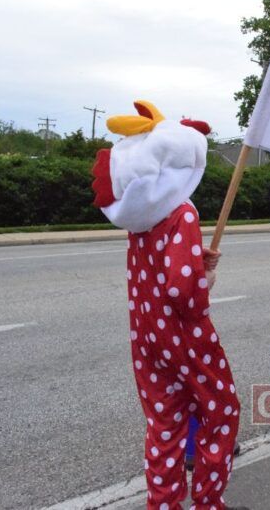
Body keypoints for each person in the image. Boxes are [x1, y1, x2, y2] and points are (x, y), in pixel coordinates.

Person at [91, 101, 246, 510]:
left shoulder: (140, 221)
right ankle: (208, 502)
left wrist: (196, 262)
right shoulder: (182, 213)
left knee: (164, 421)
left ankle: (163, 503)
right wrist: (204, 279)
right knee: (221, 411)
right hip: (184, 336)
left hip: (146, 335)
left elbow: (158, 271)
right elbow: (182, 291)